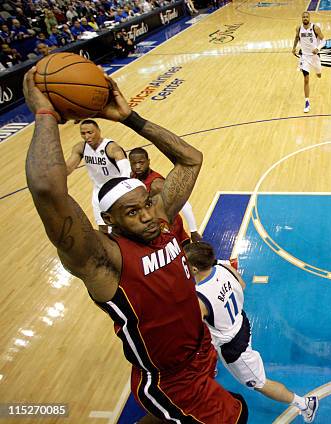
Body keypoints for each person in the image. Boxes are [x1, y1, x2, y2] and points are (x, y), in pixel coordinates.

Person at [23, 68, 247, 423]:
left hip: (201, 348)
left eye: (146, 204)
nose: (147, 216)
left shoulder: (158, 220)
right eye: (132, 212)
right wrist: (45, 113)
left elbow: (192, 158)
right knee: (236, 415)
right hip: (170, 379)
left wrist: (130, 117)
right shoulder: (103, 259)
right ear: (109, 221)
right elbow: (49, 190)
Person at [184, 242, 320, 423]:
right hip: (241, 322)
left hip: (234, 348)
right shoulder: (222, 266)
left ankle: (304, 403)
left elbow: (191, 331)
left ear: (193, 268)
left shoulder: (199, 299)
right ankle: (212, 366)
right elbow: (242, 284)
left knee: (260, 384)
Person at [65, 120, 131, 232]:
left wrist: (122, 192)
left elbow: (126, 172)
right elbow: (67, 169)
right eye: (83, 133)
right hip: (98, 191)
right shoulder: (80, 148)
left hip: (116, 190)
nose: (86, 136)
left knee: (122, 226)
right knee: (103, 228)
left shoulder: (111, 148)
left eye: (90, 132)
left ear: (99, 131)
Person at [129, 147, 202, 244]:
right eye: (134, 163)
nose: (137, 166)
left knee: (181, 252)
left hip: (170, 224)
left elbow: (185, 205)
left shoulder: (157, 185)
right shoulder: (133, 176)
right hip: (154, 224)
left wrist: (193, 231)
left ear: (148, 161)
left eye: (141, 162)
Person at [292, 12, 325, 113]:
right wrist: (294, 48)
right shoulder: (298, 28)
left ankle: (318, 71)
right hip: (304, 57)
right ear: (301, 18)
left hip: (315, 56)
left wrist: (318, 48)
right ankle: (307, 102)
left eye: (307, 17)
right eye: (303, 17)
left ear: (309, 18)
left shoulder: (315, 28)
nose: (305, 18)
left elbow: (324, 40)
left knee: (319, 74)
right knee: (306, 79)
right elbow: (297, 38)